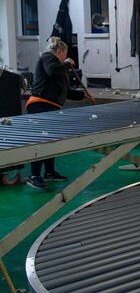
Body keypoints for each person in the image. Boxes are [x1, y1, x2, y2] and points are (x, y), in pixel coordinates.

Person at [26, 38, 88, 190]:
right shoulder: (48, 58)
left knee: (50, 140)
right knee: (41, 140)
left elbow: (64, 91)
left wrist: (81, 95)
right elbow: (53, 71)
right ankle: (34, 175)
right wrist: (66, 64)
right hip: (39, 104)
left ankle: (49, 172)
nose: (65, 57)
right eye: (65, 54)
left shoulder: (58, 67)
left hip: (51, 106)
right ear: (59, 52)